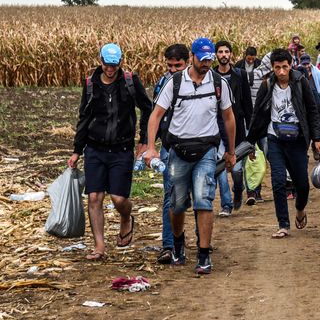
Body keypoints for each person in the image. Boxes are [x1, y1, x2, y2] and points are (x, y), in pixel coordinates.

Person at [145, 37, 237, 274]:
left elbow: (228, 117)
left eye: (210, 59)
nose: (207, 63)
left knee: (204, 200)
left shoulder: (218, 83)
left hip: (206, 151)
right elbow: (155, 115)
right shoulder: (175, 83)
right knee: (176, 204)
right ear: (192, 58)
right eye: (203, 58)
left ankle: (204, 255)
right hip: (178, 152)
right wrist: (151, 148)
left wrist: (231, 151)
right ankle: (178, 242)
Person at [68, 43, 152, 261]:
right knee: (94, 197)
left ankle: (126, 217)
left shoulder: (130, 82)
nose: (110, 69)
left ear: (120, 62)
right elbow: (84, 118)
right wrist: (77, 150)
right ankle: (99, 246)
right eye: (107, 65)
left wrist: (144, 140)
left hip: (121, 149)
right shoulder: (90, 85)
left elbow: (147, 108)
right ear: (100, 61)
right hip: (94, 149)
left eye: (114, 65)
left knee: (118, 199)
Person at [246, 48, 320, 238]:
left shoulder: (300, 82)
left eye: (285, 67)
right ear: (272, 67)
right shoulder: (267, 85)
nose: (281, 72)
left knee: (302, 184)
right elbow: (257, 115)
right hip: (275, 139)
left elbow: (313, 110)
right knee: (278, 181)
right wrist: (251, 143)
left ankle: (299, 209)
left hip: (297, 139)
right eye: (277, 67)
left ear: (290, 66)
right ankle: (283, 224)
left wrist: (317, 139)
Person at [152, 44, 189, 264]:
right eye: (170, 65)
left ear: (187, 62)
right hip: (169, 146)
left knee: (194, 194)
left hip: (196, 146)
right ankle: (169, 245)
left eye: (178, 65)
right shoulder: (162, 83)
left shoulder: (199, 82)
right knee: (170, 195)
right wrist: (148, 144)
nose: (173, 69)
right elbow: (155, 114)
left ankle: (202, 240)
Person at [214, 40, 254, 211]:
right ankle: (226, 205)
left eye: (226, 52)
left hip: (236, 127)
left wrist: (251, 134)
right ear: (216, 55)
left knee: (237, 170)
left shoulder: (240, 75)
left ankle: (238, 190)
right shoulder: (210, 76)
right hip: (214, 127)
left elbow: (247, 104)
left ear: (231, 54)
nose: (223, 55)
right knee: (220, 168)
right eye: (220, 52)